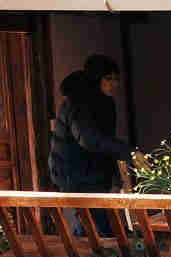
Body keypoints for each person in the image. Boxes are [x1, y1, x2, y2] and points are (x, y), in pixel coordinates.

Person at [49, 54, 137, 237]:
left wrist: (115, 178)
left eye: (116, 79)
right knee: (96, 227)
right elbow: (89, 139)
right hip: (74, 174)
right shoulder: (77, 102)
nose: (114, 84)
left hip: (92, 175)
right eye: (108, 79)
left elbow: (106, 141)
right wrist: (129, 153)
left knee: (94, 227)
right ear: (96, 79)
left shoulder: (106, 103)